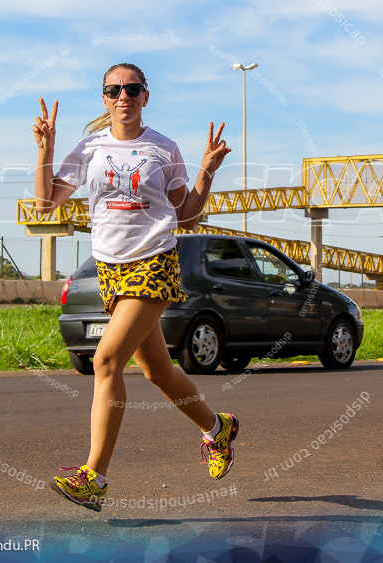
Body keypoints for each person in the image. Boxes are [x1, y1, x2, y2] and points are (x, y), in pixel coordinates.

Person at [32, 62, 237, 512]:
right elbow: (46, 203)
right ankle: (216, 427)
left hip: (154, 263)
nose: (122, 96)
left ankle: (94, 477)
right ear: (104, 99)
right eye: (113, 90)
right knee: (158, 373)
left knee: (105, 360)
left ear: (146, 95)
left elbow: (186, 216)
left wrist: (206, 171)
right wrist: (45, 149)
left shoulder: (164, 149)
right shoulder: (89, 148)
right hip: (111, 272)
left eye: (132, 88)